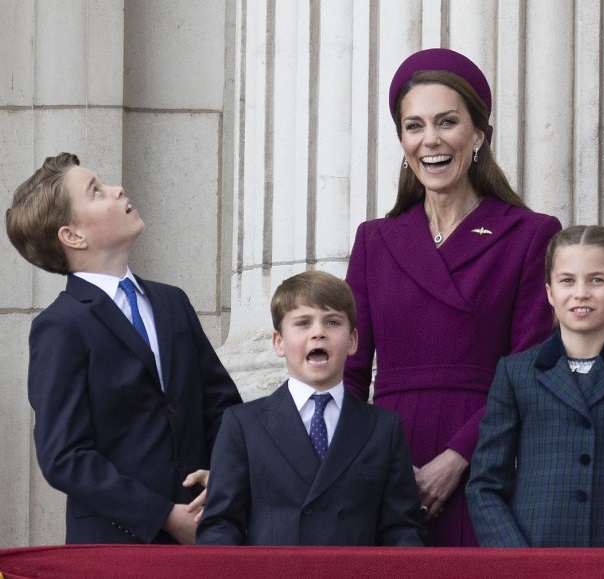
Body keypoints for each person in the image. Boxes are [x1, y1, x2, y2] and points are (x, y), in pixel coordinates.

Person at [344, 48, 562, 546]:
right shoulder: (375, 240)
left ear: (479, 134)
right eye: (414, 126)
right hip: (387, 463)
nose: (430, 140)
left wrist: (460, 456)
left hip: (487, 458)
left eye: (447, 122)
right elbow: (348, 372)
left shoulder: (530, 234)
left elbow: (532, 367)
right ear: (402, 140)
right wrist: (372, 461)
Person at [5, 153, 242, 544]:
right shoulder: (60, 326)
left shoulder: (172, 302)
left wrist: (225, 477)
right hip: (116, 546)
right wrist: (164, 516)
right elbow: (64, 456)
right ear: (73, 236)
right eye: (96, 191)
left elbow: (222, 406)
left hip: (206, 532)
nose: (116, 190)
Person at [466, 225, 604, 547]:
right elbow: (485, 486)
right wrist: (517, 561)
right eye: (567, 280)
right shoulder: (515, 373)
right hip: (533, 558)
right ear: (550, 292)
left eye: (596, 280)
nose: (581, 293)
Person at [196, 270, 426, 546]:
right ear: (278, 342)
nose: (318, 333)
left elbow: (402, 531)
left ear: (352, 340)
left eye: (332, 322)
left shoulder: (383, 428)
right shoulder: (244, 424)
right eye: (303, 323)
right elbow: (221, 526)